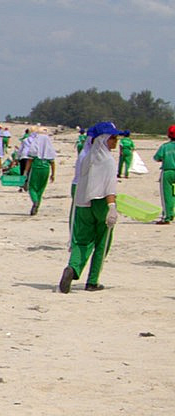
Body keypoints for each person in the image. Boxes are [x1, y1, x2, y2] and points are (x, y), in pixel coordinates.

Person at [60, 121, 124, 293]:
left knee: (82, 241)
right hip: (101, 203)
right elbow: (109, 187)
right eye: (113, 138)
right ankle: (93, 281)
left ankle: (73, 267)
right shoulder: (108, 161)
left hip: (83, 203)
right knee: (102, 242)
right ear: (104, 139)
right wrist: (112, 207)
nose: (116, 141)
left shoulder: (87, 158)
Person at [24, 129, 58, 216]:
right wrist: (53, 174)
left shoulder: (34, 147)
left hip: (36, 168)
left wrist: (26, 171)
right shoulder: (49, 149)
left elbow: (29, 161)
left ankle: (35, 201)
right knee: (41, 188)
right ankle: (37, 206)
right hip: (46, 169)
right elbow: (52, 163)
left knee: (32, 187)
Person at [154, 124, 175, 225]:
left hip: (167, 171)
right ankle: (171, 213)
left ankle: (167, 216)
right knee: (173, 194)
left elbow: (157, 158)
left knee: (167, 195)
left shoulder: (165, 147)